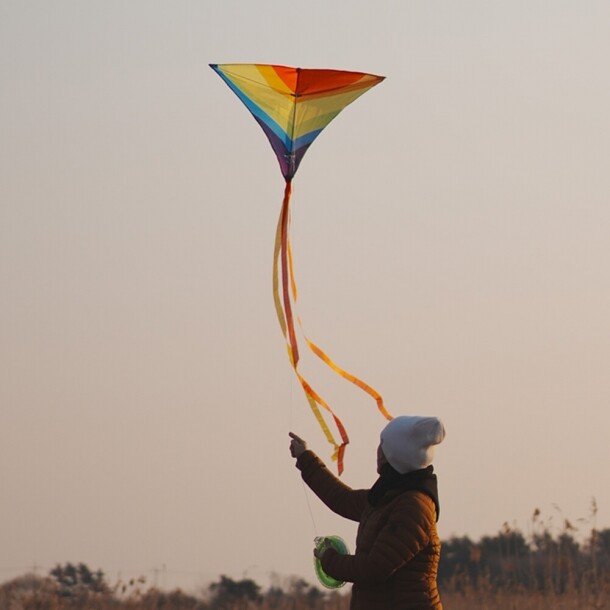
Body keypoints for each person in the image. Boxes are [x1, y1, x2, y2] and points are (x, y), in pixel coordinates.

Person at [289, 415, 446, 610]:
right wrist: (305, 458)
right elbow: (342, 499)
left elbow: (374, 569)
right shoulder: (388, 496)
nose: (378, 451)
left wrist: (328, 559)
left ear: (394, 455)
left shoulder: (413, 507)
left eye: (383, 445)